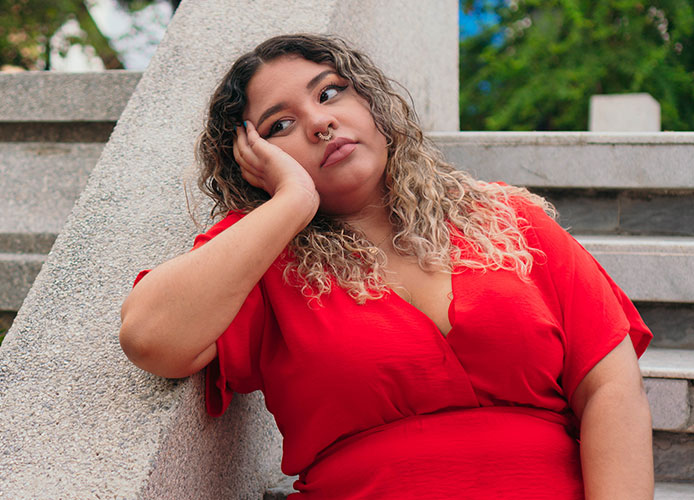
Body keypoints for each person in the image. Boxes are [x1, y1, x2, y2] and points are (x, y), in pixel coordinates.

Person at [119, 33, 654, 499]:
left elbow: (609, 386)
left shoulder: (506, 219)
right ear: (252, 162)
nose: (320, 122)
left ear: (371, 100)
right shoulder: (263, 255)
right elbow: (151, 337)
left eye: (330, 93)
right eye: (280, 125)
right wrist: (291, 203)